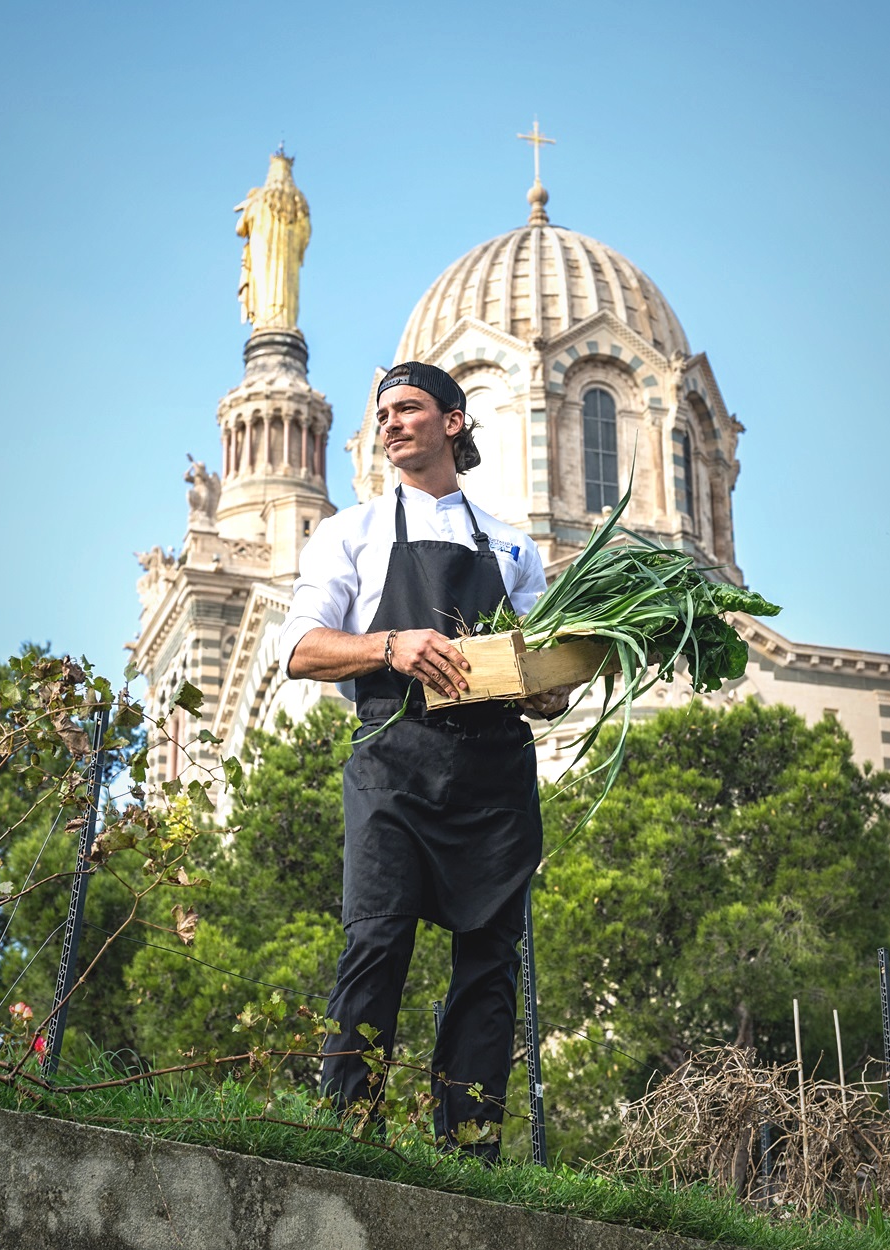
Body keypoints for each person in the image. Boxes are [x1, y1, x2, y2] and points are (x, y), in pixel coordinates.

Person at [278, 361, 567, 1160]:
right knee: (375, 941)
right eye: (384, 414)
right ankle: (343, 1135)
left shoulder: (511, 547)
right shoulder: (352, 532)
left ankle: (470, 1148)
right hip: (392, 767)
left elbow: (544, 668)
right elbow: (300, 649)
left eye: (408, 409)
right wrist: (390, 645)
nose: (391, 423)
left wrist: (549, 691)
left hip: (493, 778)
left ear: (454, 421)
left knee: (490, 966)